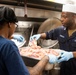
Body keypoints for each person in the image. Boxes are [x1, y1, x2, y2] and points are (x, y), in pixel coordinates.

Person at [0, 6, 56, 75]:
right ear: (10, 24)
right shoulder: (8, 46)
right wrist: (46, 58)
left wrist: (12, 37)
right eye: (15, 24)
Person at [30, 4, 76, 75]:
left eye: (65, 17)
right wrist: (39, 35)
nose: (61, 19)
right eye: (61, 16)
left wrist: (72, 54)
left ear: (74, 17)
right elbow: (48, 34)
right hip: (64, 69)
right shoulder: (61, 30)